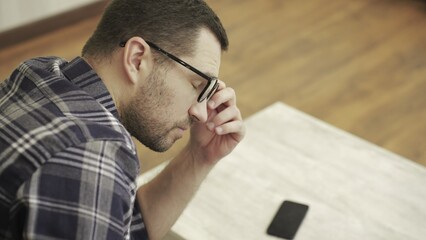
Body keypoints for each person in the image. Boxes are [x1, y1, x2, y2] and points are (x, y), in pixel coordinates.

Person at [0, 0, 245, 239]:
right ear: (137, 59)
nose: (201, 113)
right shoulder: (91, 151)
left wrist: (199, 156)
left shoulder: (40, 72)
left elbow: (128, 227)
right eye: (197, 84)